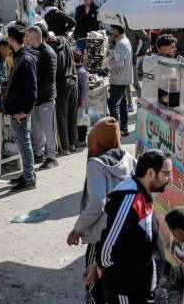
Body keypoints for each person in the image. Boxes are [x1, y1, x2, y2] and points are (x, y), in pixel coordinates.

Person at [84, 150, 173, 304]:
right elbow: (109, 246)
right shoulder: (130, 200)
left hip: (139, 288)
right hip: (126, 289)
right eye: (166, 174)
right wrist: (100, 264)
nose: (169, 179)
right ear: (151, 173)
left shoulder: (142, 194)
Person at [67, 117, 137, 304]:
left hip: (101, 237)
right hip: (123, 233)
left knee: (93, 285)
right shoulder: (129, 158)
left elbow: (97, 203)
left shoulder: (96, 165)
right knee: (115, 284)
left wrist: (77, 229)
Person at [2, 23, 38, 192]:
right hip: (17, 109)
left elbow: (32, 90)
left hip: (21, 112)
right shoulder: (20, 56)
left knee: (24, 144)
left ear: (11, 39)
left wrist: (25, 111)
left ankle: (29, 178)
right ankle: (27, 173)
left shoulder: (26, 59)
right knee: (23, 143)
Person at [25, 26, 58, 169]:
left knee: (48, 129)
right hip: (36, 98)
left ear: (33, 38)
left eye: (27, 37)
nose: (26, 39)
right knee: (36, 128)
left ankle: (52, 157)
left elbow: (49, 80)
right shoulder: (33, 51)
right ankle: (39, 153)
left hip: (46, 98)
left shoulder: (48, 53)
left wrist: (35, 92)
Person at [47, 27, 79, 153]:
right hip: (73, 80)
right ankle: (73, 144)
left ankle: (65, 147)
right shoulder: (65, 41)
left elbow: (53, 69)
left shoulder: (50, 47)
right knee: (72, 114)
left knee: (62, 116)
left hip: (62, 84)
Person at [106, 24, 133, 137]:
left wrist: (107, 63)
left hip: (119, 78)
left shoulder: (121, 44)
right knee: (122, 103)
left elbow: (118, 63)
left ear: (117, 30)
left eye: (112, 29)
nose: (111, 31)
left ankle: (116, 130)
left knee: (112, 104)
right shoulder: (123, 41)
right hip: (122, 77)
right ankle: (124, 128)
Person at [125, 24, 150, 111]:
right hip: (121, 58)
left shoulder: (135, 25)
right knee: (125, 83)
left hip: (132, 58)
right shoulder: (120, 24)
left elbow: (147, 40)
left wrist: (139, 53)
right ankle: (129, 103)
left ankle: (141, 103)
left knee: (135, 83)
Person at [74, 49, 89, 147]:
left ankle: (82, 140)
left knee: (82, 121)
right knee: (80, 120)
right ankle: (80, 139)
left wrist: (82, 102)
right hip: (80, 100)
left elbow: (84, 87)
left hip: (82, 101)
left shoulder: (81, 71)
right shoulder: (79, 69)